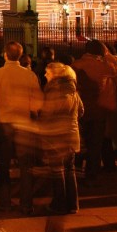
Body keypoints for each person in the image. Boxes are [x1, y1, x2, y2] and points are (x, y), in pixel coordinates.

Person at [0, 41, 43, 214]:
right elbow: (37, 103)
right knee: (26, 167)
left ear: (5, 54)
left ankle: (5, 201)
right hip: (24, 123)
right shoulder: (30, 75)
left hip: (4, 123)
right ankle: (26, 204)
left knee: (3, 165)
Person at [37, 63, 84, 216]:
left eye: (47, 73)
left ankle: (59, 204)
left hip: (57, 136)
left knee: (57, 171)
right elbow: (81, 111)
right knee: (70, 170)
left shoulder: (54, 91)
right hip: (72, 135)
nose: (45, 76)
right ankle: (73, 204)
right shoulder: (73, 92)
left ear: (55, 75)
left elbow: (46, 114)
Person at [72, 39, 116, 186]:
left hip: (80, 111)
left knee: (80, 142)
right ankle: (92, 173)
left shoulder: (76, 65)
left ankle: (76, 170)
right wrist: (108, 54)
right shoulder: (105, 66)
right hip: (99, 110)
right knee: (95, 144)